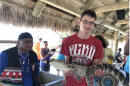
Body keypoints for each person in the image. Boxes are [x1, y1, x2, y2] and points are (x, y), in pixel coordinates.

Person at [61, 9, 104, 86]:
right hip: (70, 83)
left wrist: (98, 73)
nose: (88, 25)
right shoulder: (67, 41)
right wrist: (66, 72)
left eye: (91, 23)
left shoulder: (98, 44)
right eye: (85, 21)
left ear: (94, 25)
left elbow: (95, 66)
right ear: (79, 22)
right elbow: (66, 62)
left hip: (87, 83)